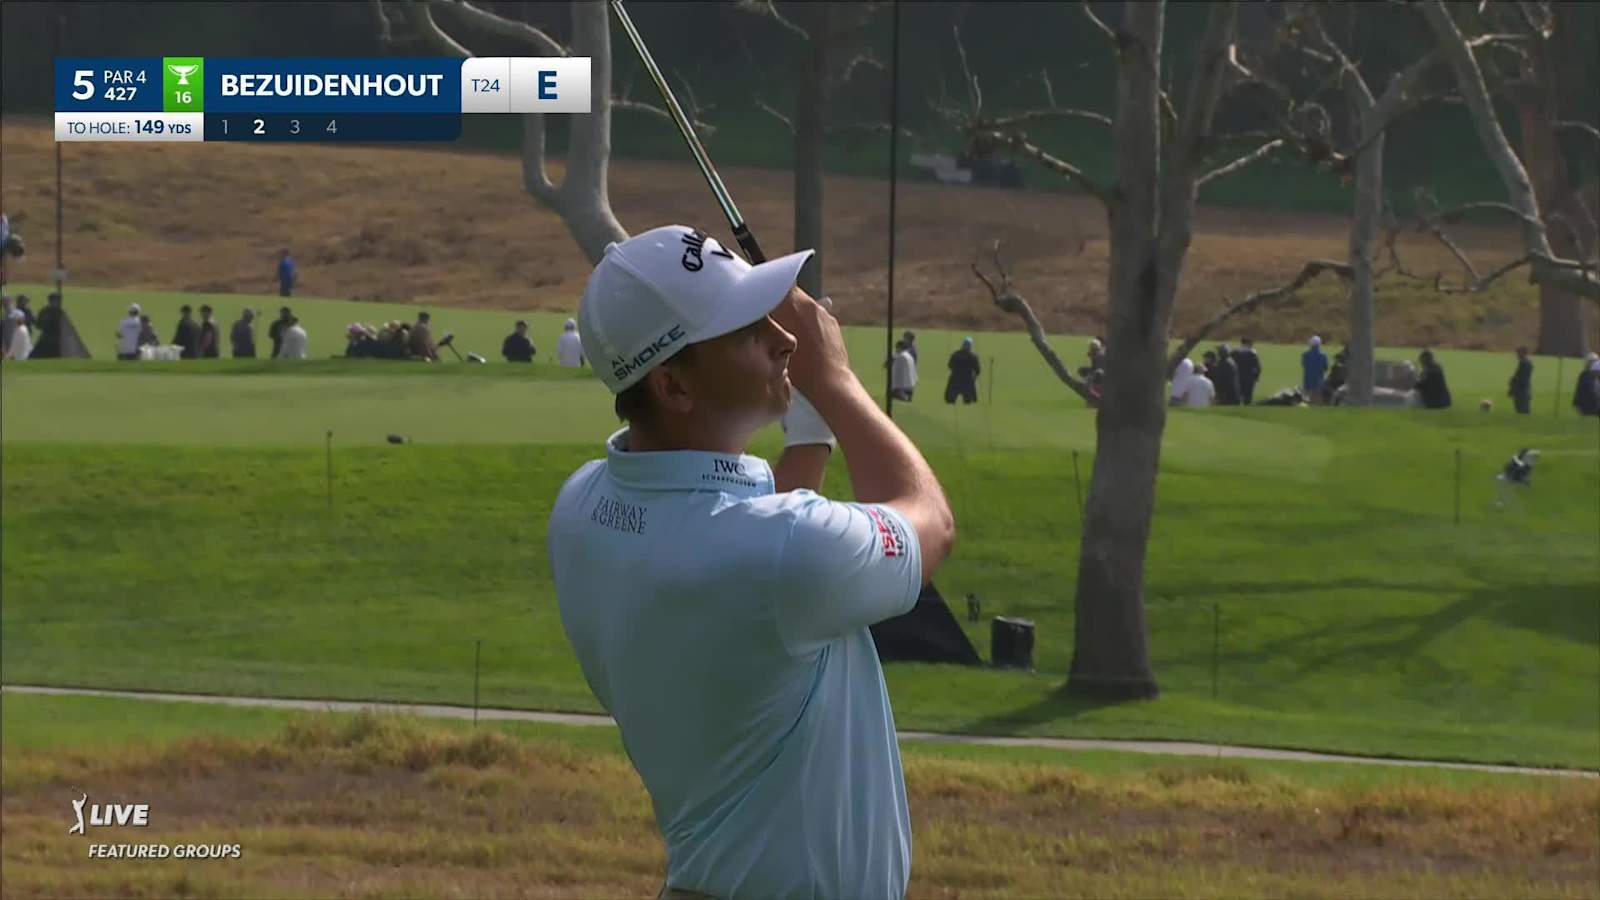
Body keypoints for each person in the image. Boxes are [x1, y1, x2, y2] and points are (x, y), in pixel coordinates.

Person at [548, 224, 954, 899]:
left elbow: (759, 552)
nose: (785, 338)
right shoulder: (782, 554)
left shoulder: (582, 505)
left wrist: (811, 430)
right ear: (674, 387)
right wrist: (838, 384)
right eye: (746, 329)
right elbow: (930, 523)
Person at [944, 336, 981, 404]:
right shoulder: (973, 356)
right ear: (970, 346)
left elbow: (950, 366)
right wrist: (973, 379)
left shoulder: (955, 354)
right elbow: (978, 370)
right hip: (967, 381)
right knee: (967, 401)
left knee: (950, 400)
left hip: (955, 379)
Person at [1232, 337, 1261, 404]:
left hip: (1237, 377)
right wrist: (1256, 377)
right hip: (1249, 378)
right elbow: (1257, 367)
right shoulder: (1252, 353)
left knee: (1238, 395)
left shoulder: (1234, 352)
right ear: (1248, 343)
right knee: (1247, 397)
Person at [1508, 346, 1534, 415]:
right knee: (1519, 411)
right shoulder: (1523, 363)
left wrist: (1513, 382)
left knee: (1523, 411)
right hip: (1521, 391)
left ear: (1523, 353)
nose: (1517, 355)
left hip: (1522, 391)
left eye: (1519, 353)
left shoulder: (1526, 363)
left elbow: (1522, 379)